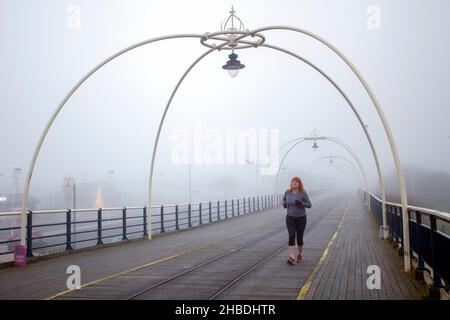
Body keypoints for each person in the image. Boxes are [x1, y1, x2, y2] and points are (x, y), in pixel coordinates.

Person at [282, 176, 312, 266]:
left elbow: (309, 205)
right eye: (292, 182)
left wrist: (302, 203)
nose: (294, 183)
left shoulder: (303, 193)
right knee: (291, 235)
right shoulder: (287, 192)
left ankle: (299, 254)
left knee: (299, 237)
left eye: (296, 182)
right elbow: (284, 199)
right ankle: (291, 257)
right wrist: (284, 204)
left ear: (299, 184)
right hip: (290, 217)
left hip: (301, 218)